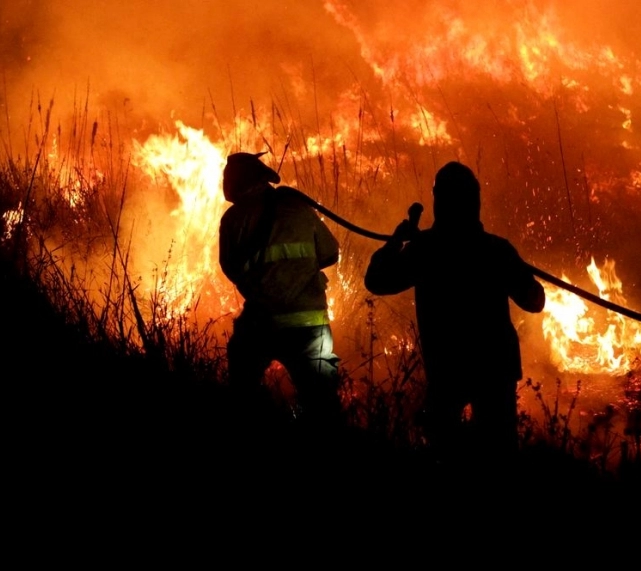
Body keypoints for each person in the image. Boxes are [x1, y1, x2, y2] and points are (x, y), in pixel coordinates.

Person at [364, 161, 545, 472]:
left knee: (445, 456)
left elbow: (377, 280)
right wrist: (517, 270)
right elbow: (534, 300)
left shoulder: (426, 250)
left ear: (438, 202)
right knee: (500, 457)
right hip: (493, 368)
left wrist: (395, 243)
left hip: (448, 367)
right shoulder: (496, 249)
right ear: (475, 202)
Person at [219, 152, 343, 436]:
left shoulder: (233, 219)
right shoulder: (299, 208)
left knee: (241, 389)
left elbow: (231, 267)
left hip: (261, 322)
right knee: (323, 408)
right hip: (310, 326)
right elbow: (330, 252)